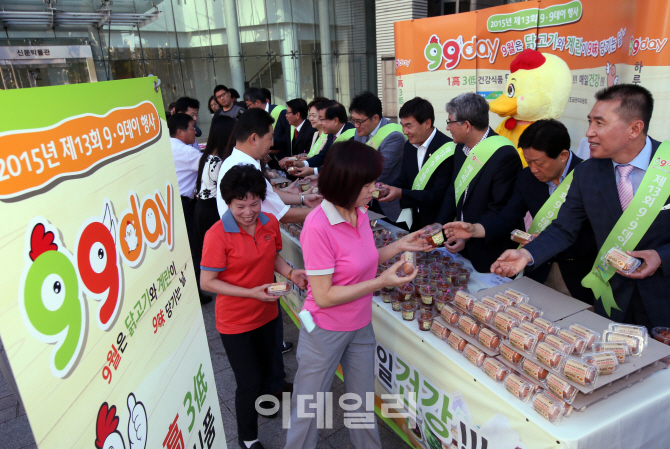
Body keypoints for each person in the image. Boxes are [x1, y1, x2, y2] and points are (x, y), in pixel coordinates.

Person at [283, 141, 431, 449]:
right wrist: (381, 283)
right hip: (324, 329)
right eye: (368, 184)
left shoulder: (359, 213)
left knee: (362, 405)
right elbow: (323, 296)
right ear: (346, 184)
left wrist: (401, 246)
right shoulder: (318, 225)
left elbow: (366, 258)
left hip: (360, 326)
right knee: (308, 409)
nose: (374, 190)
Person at [491, 84, 670, 329]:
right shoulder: (587, 173)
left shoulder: (666, 166)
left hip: (663, 298)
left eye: (599, 123)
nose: (589, 133)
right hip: (612, 299)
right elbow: (564, 228)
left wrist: (661, 256)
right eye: (589, 122)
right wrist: (526, 254)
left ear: (634, 128)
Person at [216, 108, 323, 396]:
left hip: (255, 257)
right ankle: (269, 389)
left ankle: (271, 383)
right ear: (253, 138)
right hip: (249, 263)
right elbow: (280, 214)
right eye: (269, 138)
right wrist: (322, 214)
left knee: (268, 329)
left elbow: (272, 198)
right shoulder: (245, 169)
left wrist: (304, 197)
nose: (271, 144)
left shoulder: (241, 163)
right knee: (264, 330)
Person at [200, 164, 308, 449]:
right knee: (247, 382)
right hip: (235, 322)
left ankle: (270, 399)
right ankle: (248, 438)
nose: (248, 212)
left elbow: (272, 256)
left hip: (267, 311)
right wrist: (250, 293)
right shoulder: (216, 234)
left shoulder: (269, 222)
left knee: (271, 366)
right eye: (240, 206)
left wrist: (290, 272)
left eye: (254, 203)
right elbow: (208, 282)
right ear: (227, 203)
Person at [444, 119, 596, 303]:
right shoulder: (526, 177)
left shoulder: (588, 175)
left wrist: (547, 240)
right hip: (537, 267)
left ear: (563, 155)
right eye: (528, 161)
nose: (533, 169)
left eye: (539, 163)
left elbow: (597, 230)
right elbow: (508, 216)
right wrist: (474, 229)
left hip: (578, 273)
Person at [435, 92, 523, 273]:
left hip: (490, 249)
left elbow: (500, 208)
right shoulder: (460, 148)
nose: (448, 128)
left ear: (467, 125)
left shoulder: (504, 155)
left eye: (450, 122)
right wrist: (438, 227)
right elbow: (455, 190)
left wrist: (468, 234)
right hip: (462, 244)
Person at [378, 97, 453, 231]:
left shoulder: (447, 150)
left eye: (409, 126)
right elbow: (404, 179)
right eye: (402, 125)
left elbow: (437, 195)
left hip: (439, 224)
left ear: (427, 123)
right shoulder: (409, 146)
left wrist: (400, 193)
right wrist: (387, 189)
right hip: (416, 220)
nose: (405, 131)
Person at [168, 113, 209, 303]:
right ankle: (196, 294)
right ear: (180, 131)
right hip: (184, 204)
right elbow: (211, 168)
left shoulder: (166, 146)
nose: (195, 131)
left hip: (170, 202)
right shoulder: (186, 152)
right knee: (193, 247)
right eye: (192, 127)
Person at [349, 91, 406, 222]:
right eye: (354, 121)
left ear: (375, 118)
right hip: (365, 199)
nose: (356, 126)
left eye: (359, 121)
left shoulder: (393, 136)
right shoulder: (361, 131)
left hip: (386, 202)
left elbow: (378, 172)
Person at [194, 116, 236, 269]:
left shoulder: (206, 156)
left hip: (202, 209)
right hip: (212, 210)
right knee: (218, 256)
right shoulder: (218, 161)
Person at [285, 100, 354, 176]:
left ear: (335, 121)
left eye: (322, 119)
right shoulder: (332, 133)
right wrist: (301, 164)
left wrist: (313, 171)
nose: (320, 123)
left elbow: (340, 166)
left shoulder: (351, 136)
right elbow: (322, 156)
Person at [244, 87, 290, 166]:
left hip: (285, 162)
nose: (248, 109)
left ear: (257, 102)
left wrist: (272, 146)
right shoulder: (257, 117)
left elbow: (289, 137)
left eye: (249, 105)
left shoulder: (280, 112)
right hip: (270, 163)